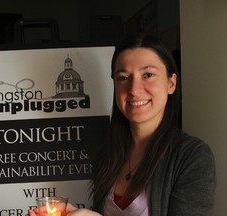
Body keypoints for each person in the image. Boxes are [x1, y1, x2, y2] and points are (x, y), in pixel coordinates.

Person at [28, 33, 216, 216]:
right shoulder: (107, 155)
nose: (134, 90)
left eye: (148, 75)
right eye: (124, 78)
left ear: (171, 83)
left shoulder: (193, 157)